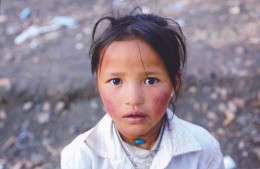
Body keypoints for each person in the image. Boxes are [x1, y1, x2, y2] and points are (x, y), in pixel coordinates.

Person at [61, 9, 224, 169]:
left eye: (150, 80)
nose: (133, 98)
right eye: (116, 81)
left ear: (175, 82)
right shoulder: (80, 157)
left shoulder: (204, 150)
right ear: (98, 85)